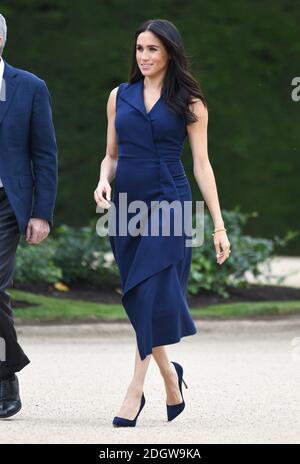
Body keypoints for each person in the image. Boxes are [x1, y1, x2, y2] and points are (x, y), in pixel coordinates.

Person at [94, 18, 231, 427]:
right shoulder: (119, 96)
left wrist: (218, 225)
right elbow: (112, 156)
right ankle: (171, 375)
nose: (144, 56)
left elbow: (203, 166)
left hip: (171, 203)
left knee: (149, 290)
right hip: (126, 208)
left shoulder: (190, 103)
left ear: (169, 51)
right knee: (140, 296)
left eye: (152, 49)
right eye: (139, 49)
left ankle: (133, 393)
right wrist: (102, 180)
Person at [0, 14, 58, 418]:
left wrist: (41, 212)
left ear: (2, 40)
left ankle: (5, 377)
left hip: (6, 204)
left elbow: (45, 154)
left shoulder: (30, 87)